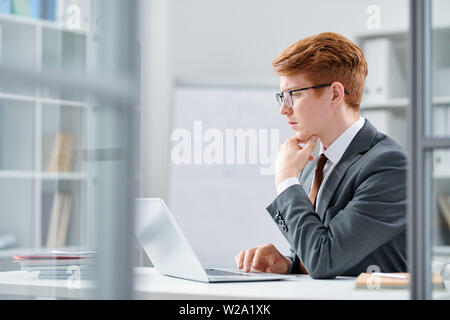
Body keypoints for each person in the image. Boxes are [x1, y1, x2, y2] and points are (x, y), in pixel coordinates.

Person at [235, 32, 407, 279]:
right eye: (282, 97)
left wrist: (286, 181)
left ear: (335, 94)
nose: (284, 109)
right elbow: (314, 251)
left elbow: (324, 260)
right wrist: (288, 263)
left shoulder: (389, 166)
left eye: (294, 94)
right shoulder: (313, 164)